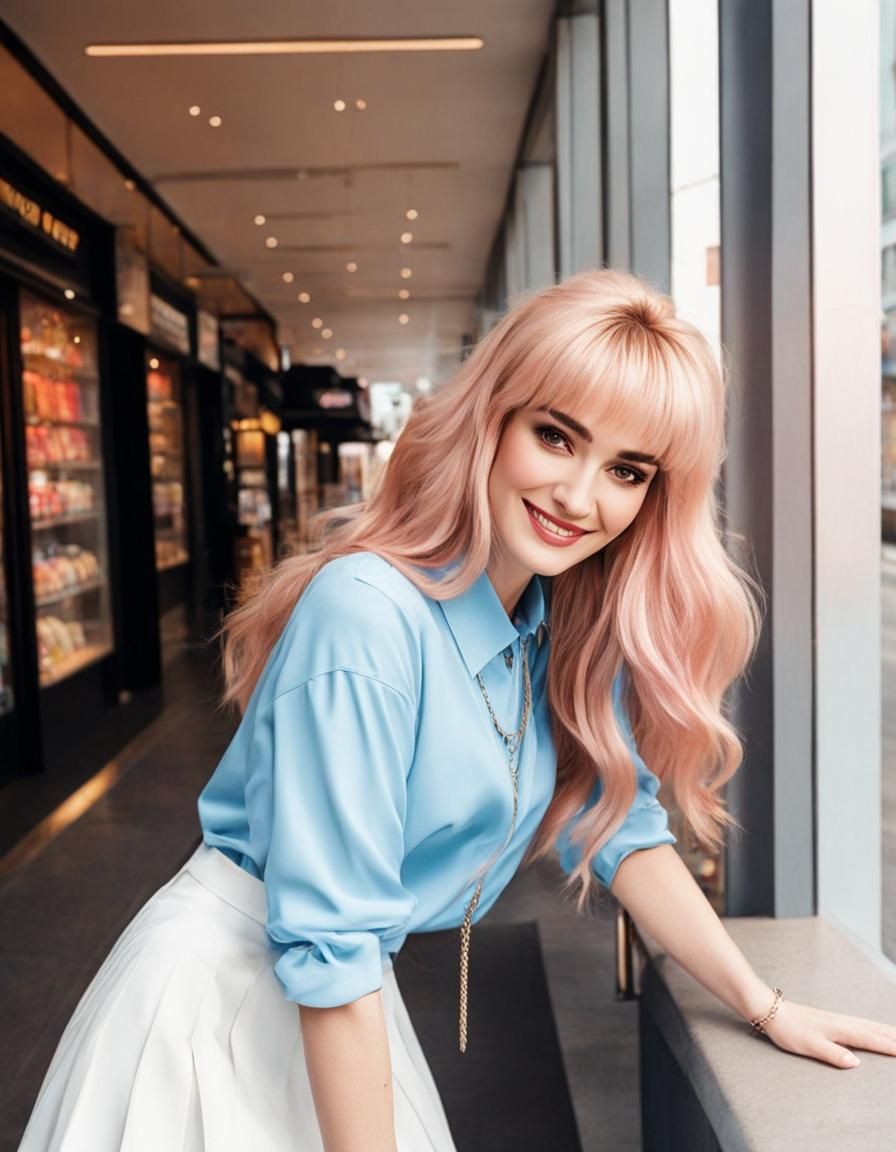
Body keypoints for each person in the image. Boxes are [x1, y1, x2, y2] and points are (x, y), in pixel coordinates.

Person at [18, 268, 896, 1152]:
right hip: (230, 1003)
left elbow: (623, 830)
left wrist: (764, 1006)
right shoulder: (367, 613)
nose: (579, 497)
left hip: (342, 994)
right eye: (556, 436)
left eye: (626, 470)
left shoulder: (554, 626)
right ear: (494, 419)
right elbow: (334, 947)